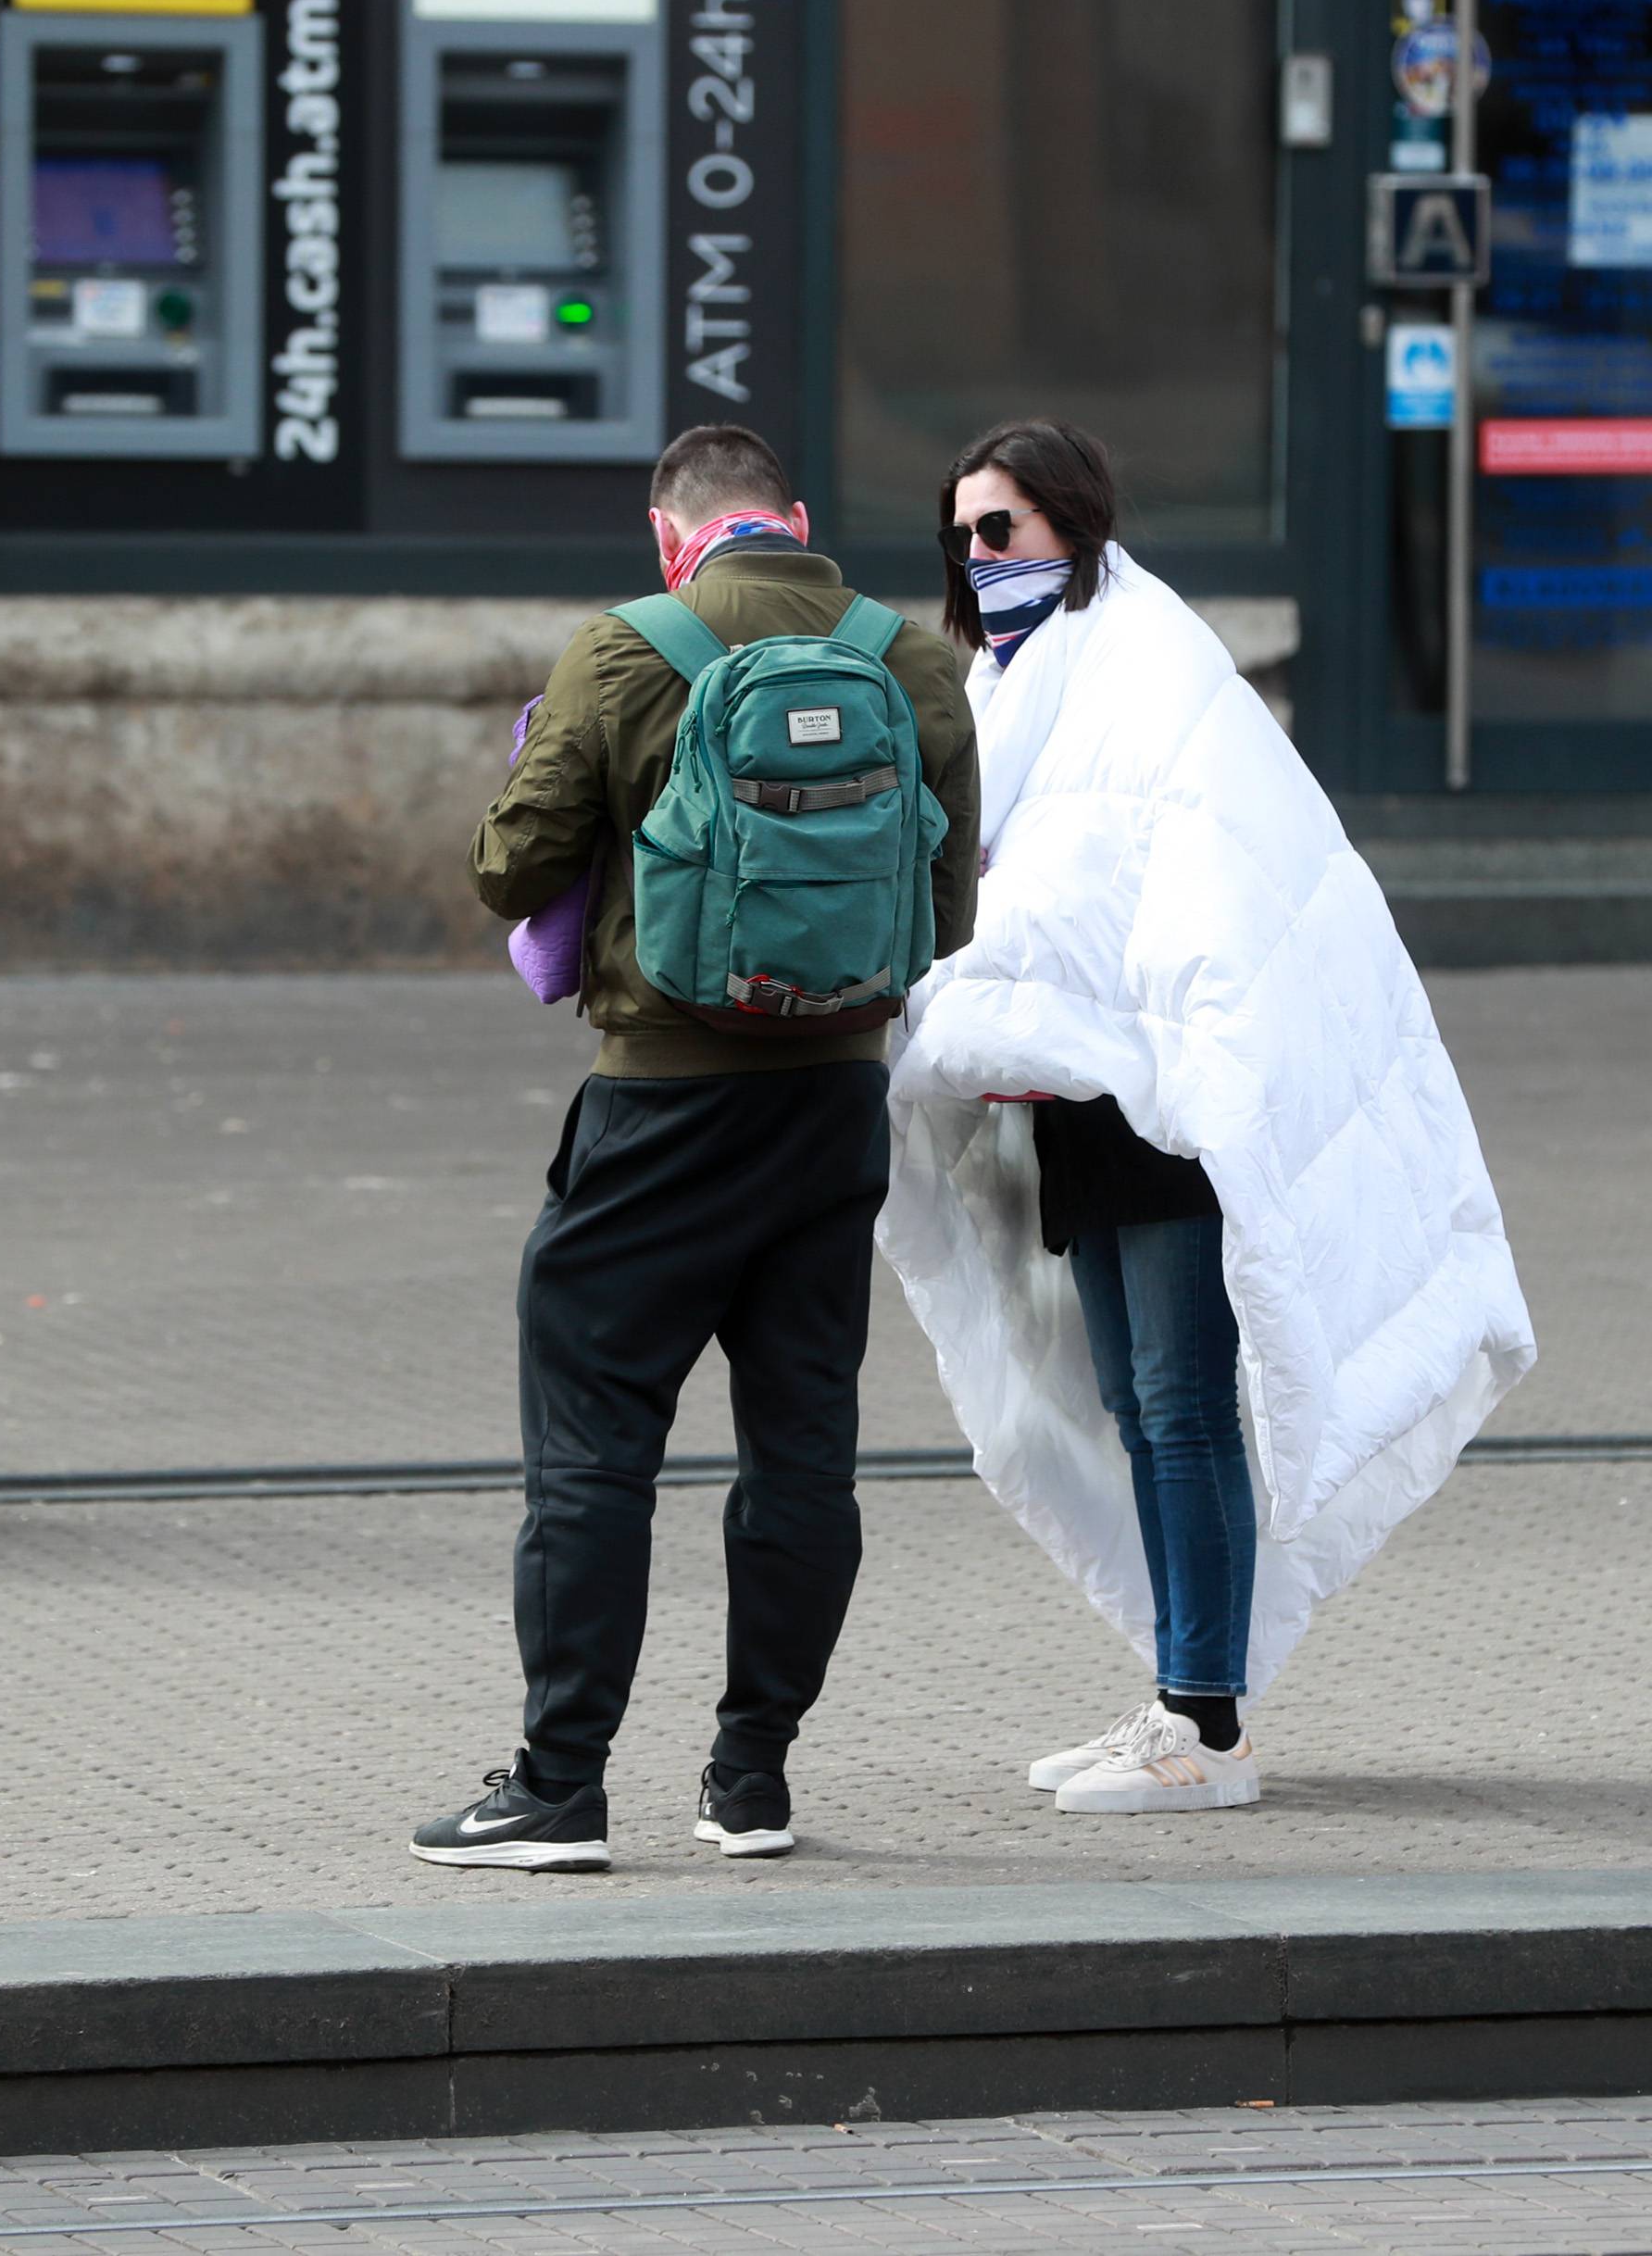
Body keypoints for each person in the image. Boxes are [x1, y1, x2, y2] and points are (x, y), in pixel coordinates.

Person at [878, 418, 1534, 1817]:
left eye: (1000, 529)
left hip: (1164, 1094)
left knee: (1180, 1408)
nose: (977, 557)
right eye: (961, 535)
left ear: (1072, 520)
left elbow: (1152, 861)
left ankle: (1210, 1727)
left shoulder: (1145, 661)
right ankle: (1182, 1691)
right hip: (1086, 1093)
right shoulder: (1030, 676)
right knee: (1134, 1401)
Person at [410, 423, 980, 1872]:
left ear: (672, 538)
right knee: (805, 1452)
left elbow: (507, 868)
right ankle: (752, 1779)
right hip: (835, 1107)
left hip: (661, 1105)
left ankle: (557, 1785)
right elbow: (951, 903)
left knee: (595, 1444)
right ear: (788, 520)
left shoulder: (624, 648)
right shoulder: (907, 659)